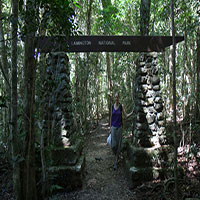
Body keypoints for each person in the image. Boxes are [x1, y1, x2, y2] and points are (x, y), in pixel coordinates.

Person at [110, 92, 133, 170]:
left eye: (117, 97)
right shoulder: (112, 106)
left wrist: (132, 112)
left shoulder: (121, 106)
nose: (116, 98)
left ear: (119, 98)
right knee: (113, 145)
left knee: (119, 145)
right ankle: (117, 156)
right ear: (114, 98)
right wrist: (110, 127)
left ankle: (115, 161)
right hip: (113, 127)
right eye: (115, 97)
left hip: (119, 127)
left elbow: (126, 115)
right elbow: (111, 117)